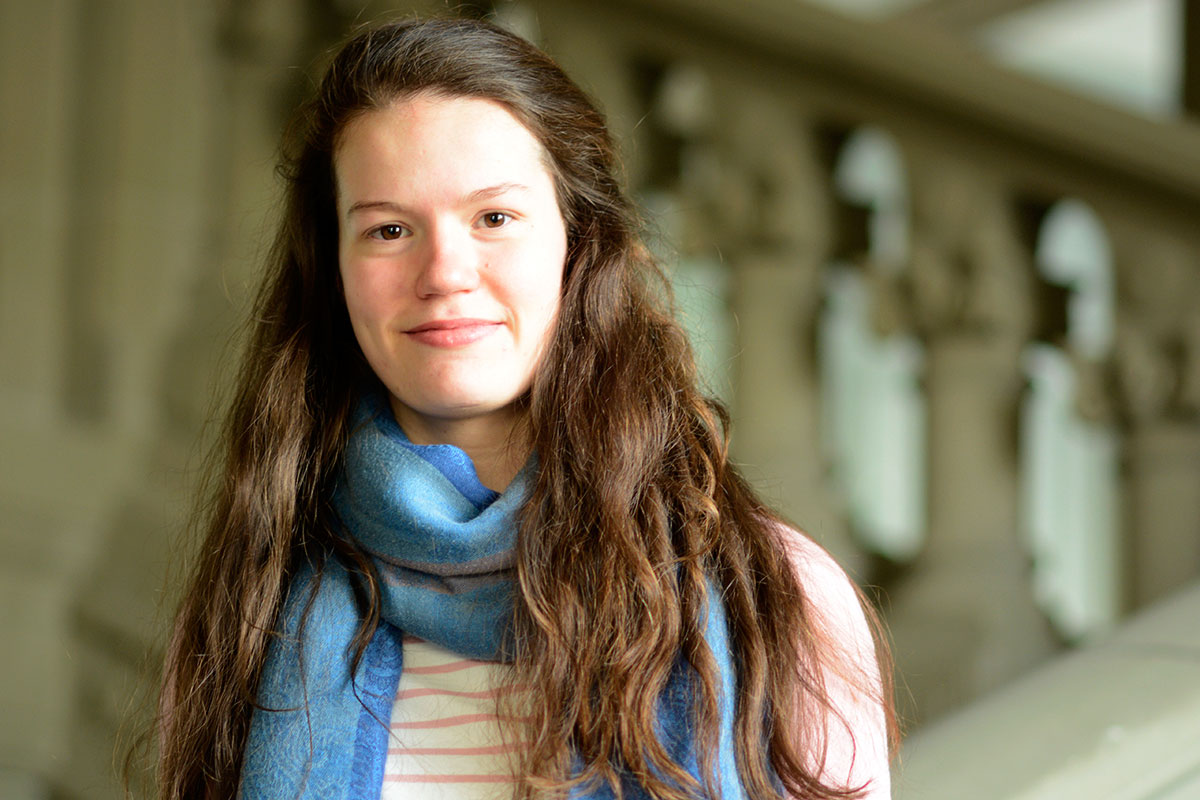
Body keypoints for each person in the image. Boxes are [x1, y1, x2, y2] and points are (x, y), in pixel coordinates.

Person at [156, 16, 895, 800]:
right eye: (389, 229)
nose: (444, 271)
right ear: (334, 270)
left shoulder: (776, 597)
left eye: (494, 218)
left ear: (578, 242)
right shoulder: (249, 613)